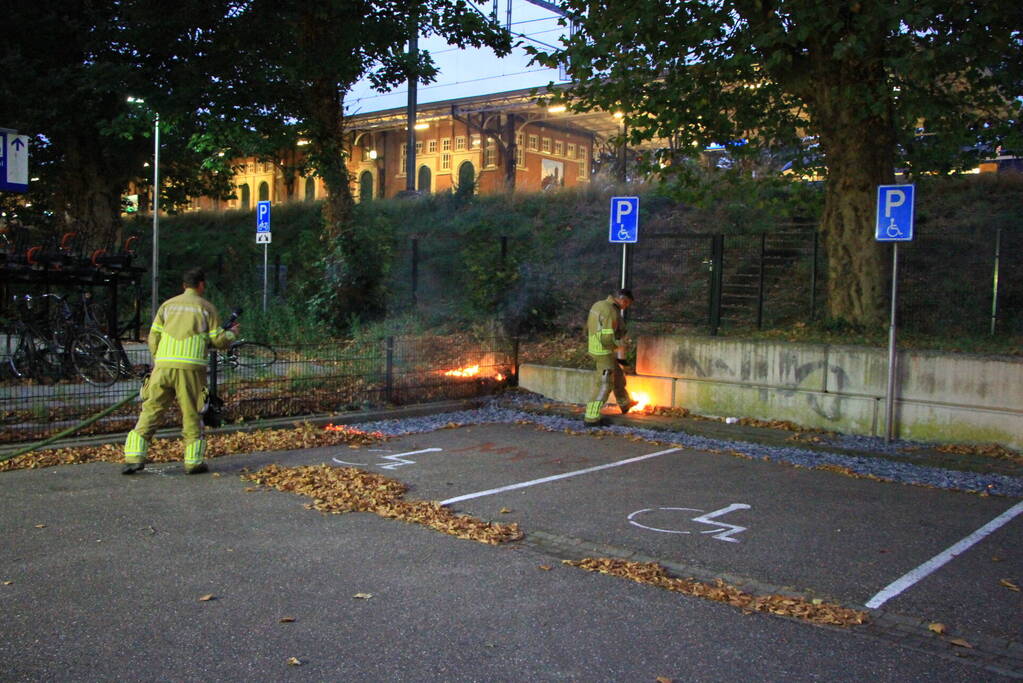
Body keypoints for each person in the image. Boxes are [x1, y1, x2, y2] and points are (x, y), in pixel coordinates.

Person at [122, 268, 238, 475]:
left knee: (151, 409)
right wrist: (232, 334)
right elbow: (218, 340)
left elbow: (153, 336)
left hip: (163, 367)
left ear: (183, 285)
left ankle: (134, 456)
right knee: (192, 412)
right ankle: (193, 461)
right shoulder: (206, 308)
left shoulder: (167, 305)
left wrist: (158, 359)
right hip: (191, 368)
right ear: (201, 285)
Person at [584, 288, 637, 426]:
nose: (626, 307)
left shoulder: (598, 305)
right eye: (627, 304)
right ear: (623, 300)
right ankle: (592, 417)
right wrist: (619, 345)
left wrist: (620, 360)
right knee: (604, 384)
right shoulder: (611, 312)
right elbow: (607, 337)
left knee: (617, 375)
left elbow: (588, 328)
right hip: (604, 351)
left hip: (595, 348)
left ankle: (625, 403)